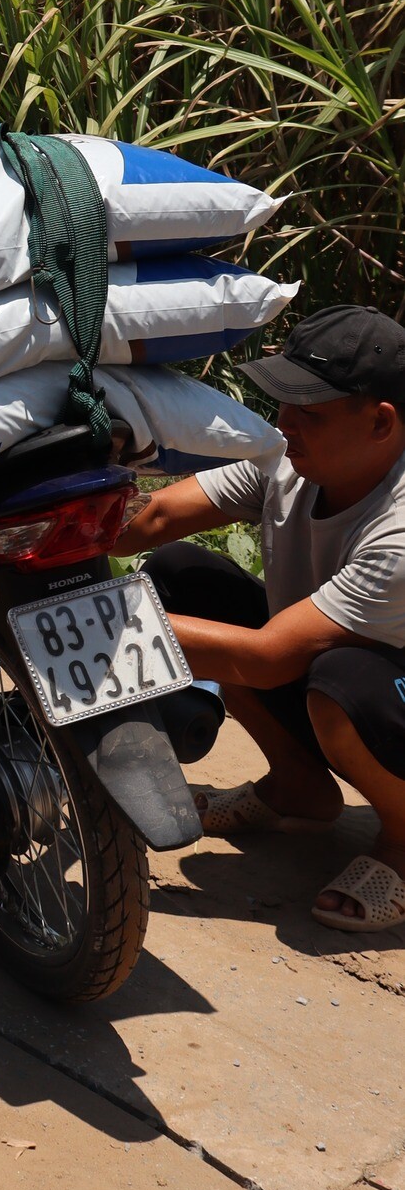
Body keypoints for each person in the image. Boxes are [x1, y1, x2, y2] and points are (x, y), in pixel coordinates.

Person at [117, 304, 405, 934]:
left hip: (375, 690)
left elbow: (266, 658)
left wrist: (103, 627)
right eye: (284, 403)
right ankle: (301, 788)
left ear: (382, 423)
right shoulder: (292, 459)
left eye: (311, 411)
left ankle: (403, 839)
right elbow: (158, 518)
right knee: (180, 574)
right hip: (333, 662)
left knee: (341, 682)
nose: (286, 424)